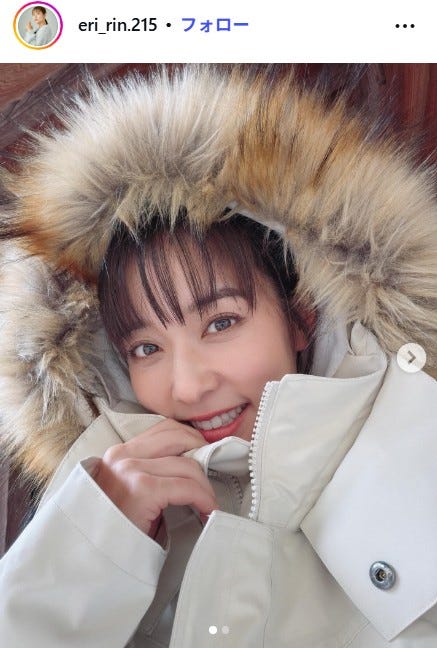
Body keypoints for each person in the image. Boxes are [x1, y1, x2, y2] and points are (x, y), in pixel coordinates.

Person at [0, 65, 436, 647]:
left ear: (302, 316)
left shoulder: (420, 469)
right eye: (146, 348)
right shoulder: (97, 502)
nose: (186, 387)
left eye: (221, 322)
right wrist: (91, 549)